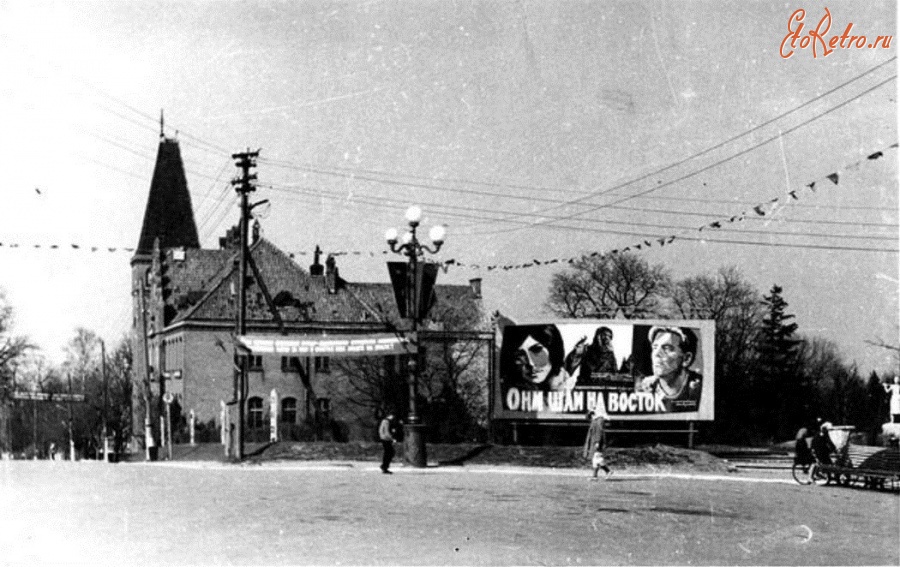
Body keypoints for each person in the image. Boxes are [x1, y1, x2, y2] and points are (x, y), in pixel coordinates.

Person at [637, 326, 702, 412]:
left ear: (686, 359)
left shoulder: (700, 391)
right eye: (655, 347)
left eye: (667, 348)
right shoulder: (645, 388)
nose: (656, 354)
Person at [502, 325, 585, 392]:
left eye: (536, 351)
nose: (531, 363)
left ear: (553, 351)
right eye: (519, 357)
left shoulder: (561, 378)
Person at [583, 408, 612, 480]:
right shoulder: (596, 421)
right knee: (596, 459)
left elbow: (599, 432)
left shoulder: (598, 421)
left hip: (597, 443)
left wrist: (597, 442)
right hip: (595, 442)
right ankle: (595, 476)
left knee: (597, 458)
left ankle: (607, 471)